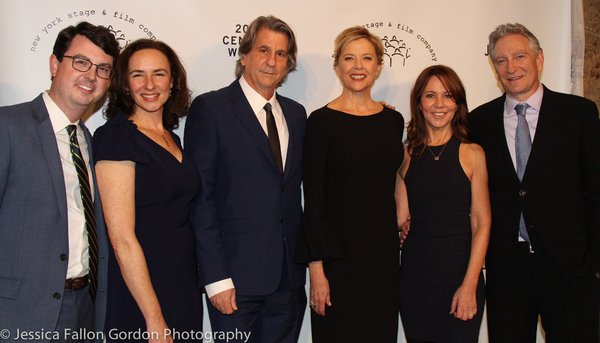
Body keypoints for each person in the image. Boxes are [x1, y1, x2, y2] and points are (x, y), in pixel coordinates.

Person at [469, 23, 600, 343]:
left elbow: (597, 190)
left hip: (571, 270)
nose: (511, 67)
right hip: (507, 271)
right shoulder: (479, 121)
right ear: (493, 66)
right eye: (501, 60)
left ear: (539, 59)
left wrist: (594, 263)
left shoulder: (579, 112)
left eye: (519, 56)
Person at [184, 16, 306, 343]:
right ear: (244, 55)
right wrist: (217, 278)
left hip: (289, 283)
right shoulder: (211, 109)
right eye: (263, 49)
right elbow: (201, 199)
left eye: (281, 54)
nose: (272, 61)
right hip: (234, 283)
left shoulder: (296, 114)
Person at [0, 22, 118, 342]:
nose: (91, 75)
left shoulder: (89, 141)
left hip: (84, 310)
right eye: (81, 62)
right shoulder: (7, 126)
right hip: (18, 312)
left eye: (103, 69)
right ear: (55, 64)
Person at [296, 26, 404, 343]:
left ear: (379, 66)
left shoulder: (392, 120)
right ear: (337, 66)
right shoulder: (320, 122)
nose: (358, 66)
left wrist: (404, 201)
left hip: (382, 259)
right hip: (336, 262)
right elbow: (312, 203)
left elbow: (394, 171)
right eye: (349, 58)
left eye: (366, 58)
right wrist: (317, 271)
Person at [93, 39, 202, 342]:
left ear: (173, 81)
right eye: (138, 74)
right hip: (141, 295)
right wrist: (153, 318)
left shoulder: (172, 139)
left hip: (181, 286)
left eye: (159, 73)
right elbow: (122, 241)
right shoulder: (116, 137)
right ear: (125, 84)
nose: (149, 84)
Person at [396, 65, 490, 343]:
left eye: (448, 96)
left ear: (458, 103)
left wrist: (470, 284)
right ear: (418, 103)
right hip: (414, 282)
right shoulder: (404, 155)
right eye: (430, 96)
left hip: (461, 279)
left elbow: (482, 223)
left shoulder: (473, 153)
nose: (439, 104)